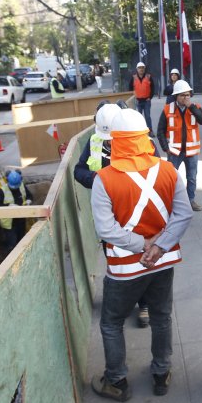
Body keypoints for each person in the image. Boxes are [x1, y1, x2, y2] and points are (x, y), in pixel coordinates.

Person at [90, 108, 193, 402]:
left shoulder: (104, 179)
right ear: (145, 138)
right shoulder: (168, 170)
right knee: (161, 317)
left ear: (115, 142)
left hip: (124, 268)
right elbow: (183, 214)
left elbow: (106, 229)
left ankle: (116, 381)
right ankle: (161, 373)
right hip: (162, 261)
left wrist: (139, 245)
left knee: (112, 323)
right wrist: (157, 247)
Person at [75, 100, 153, 328]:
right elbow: (78, 171)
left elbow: (154, 170)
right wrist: (97, 180)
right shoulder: (95, 142)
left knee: (141, 257)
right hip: (108, 215)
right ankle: (124, 300)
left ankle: (145, 303)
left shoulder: (141, 142)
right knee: (115, 258)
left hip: (136, 212)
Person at [157, 79, 202, 212]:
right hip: (174, 151)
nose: (186, 97)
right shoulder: (168, 109)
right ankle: (171, 202)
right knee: (171, 178)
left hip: (192, 151)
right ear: (176, 97)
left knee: (191, 178)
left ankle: (190, 200)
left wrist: (191, 106)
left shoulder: (195, 107)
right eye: (182, 95)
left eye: (187, 95)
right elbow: (160, 131)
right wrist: (165, 148)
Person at [0, 169, 33, 255]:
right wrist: (8, 207)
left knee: (21, 240)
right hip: (9, 224)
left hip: (21, 220)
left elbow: (29, 195)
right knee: (11, 243)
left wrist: (29, 200)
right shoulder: (2, 191)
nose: (15, 188)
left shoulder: (22, 185)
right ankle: (8, 257)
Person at [128, 61, 156, 136]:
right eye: (139, 68)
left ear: (144, 69)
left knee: (147, 116)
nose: (141, 69)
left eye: (142, 68)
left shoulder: (148, 77)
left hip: (147, 101)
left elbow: (153, 87)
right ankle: (138, 132)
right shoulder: (133, 77)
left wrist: (150, 97)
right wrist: (133, 98)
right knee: (138, 117)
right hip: (137, 101)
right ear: (137, 69)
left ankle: (150, 131)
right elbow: (130, 89)